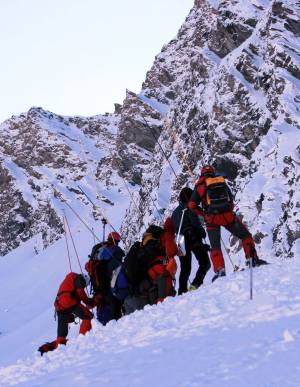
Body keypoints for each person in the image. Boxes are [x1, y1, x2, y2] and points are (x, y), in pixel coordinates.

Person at [188, 165, 267, 282]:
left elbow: (191, 205)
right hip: (227, 217)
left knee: (215, 247)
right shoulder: (220, 181)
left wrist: (204, 214)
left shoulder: (199, 185)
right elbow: (230, 199)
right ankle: (252, 260)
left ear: (202, 173)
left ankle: (220, 270)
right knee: (245, 236)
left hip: (212, 220)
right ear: (213, 172)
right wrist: (228, 210)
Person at [123, 219, 178, 315]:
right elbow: (172, 253)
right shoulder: (165, 241)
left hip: (136, 291)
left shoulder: (147, 253)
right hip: (145, 289)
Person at [38, 272, 95, 356]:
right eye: (85, 285)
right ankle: (83, 339)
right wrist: (88, 302)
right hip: (69, 301)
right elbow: (80, 293)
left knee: (62, 333)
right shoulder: (79, 279)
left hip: (59, 305)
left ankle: (48, 348)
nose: (84, 286)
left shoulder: (70, 278)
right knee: (88, 317)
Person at [171, 187, 211, 294]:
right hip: (192, 238)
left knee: (185, 268)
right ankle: (195, 285)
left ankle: (182, 291)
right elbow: (195, 223)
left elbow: (174, 228)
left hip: (180, 241)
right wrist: (202, 232)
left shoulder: (174, 213)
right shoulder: (189, 207)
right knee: (205, 263)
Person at [85, 231, 125, 325]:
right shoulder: (114, 249)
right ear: (116, 240)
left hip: (97, 286)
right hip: (108, 284)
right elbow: (118, 265)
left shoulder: (98, 249)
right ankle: (113, 325)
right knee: (113, 307)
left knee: (102, 306)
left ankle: (102, 327)